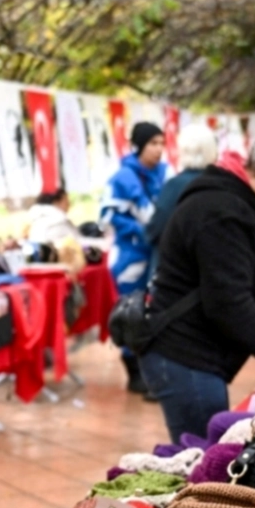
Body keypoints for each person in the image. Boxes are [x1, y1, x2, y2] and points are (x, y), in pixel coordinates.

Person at [138, 126, 255, 444]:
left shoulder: (235, 200)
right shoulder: (223, 211)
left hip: (194, 354)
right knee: (206, 462)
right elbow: (229, 303)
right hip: (185, 355)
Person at [101, 121, 168, 392]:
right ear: (139, 146)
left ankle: (151, 370)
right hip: (131, 257)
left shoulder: (165, 174)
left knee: (154, 311)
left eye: (162, 143)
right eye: (153, 143)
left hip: (160, 255)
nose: (159, 149)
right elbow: (106, 216)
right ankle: (134, 373)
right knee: (132, 313)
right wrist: (140, 230)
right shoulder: (122, 179)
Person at [145, 124, 218, 272]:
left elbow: (156, 228)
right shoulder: (221, 183)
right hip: (215, 267)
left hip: (178, 271)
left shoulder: (174, 186)